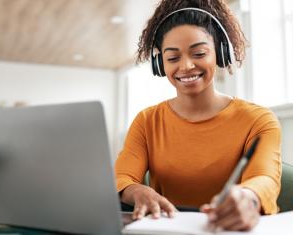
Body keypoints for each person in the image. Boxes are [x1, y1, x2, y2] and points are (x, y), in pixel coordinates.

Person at [115, 0, 281, 231]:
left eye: (199, 53)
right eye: (173, 58)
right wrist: (137, 191)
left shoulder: (258, 120)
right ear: (159, 64)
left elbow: (266, 179)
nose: (186, 66)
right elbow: (121, 178)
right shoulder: (147, 121)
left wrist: (248, 197)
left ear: (221, 53)